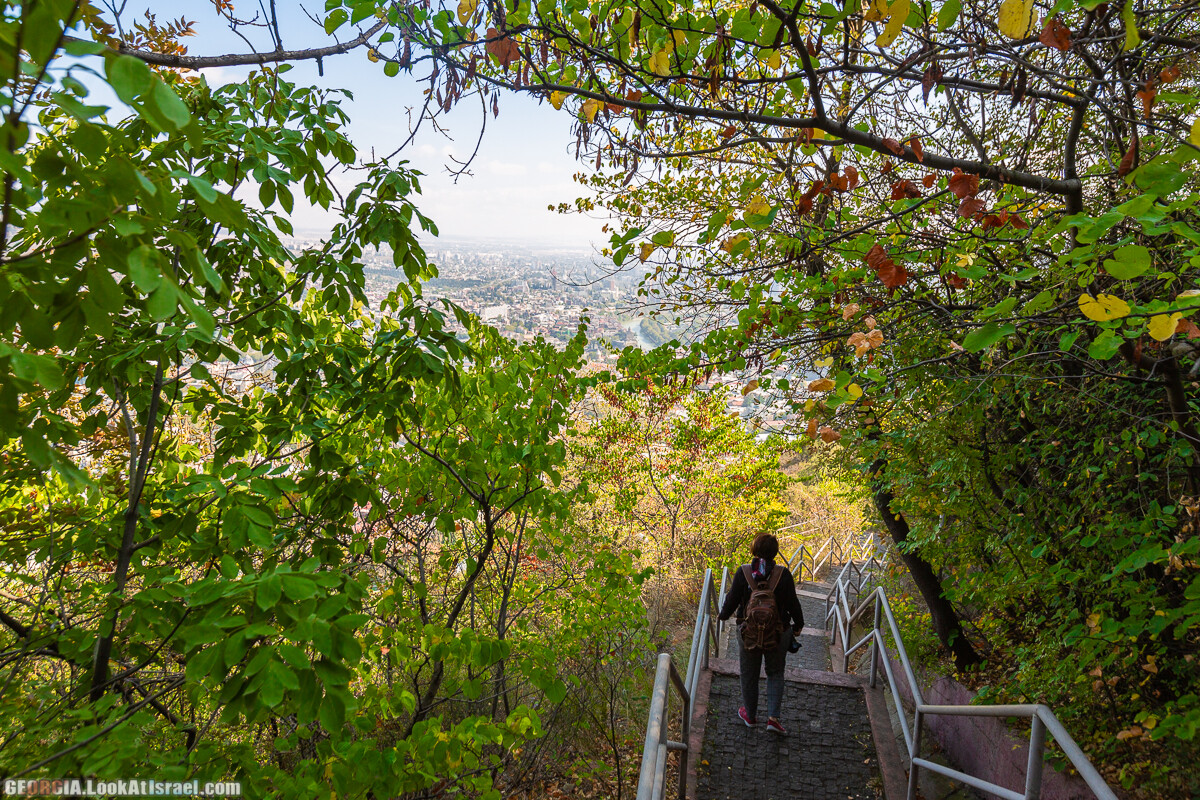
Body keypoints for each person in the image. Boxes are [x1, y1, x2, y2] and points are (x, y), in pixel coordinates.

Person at [717, 532, 805, 734]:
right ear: (775, 552)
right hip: (778, 632)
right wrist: (799, 624)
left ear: (754, 550)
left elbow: (731, 600)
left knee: (749, 673)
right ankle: (773, 719)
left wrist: (723, 615)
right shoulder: (783, 574)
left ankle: (750, 715)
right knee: (775, 672)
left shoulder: (744, 573)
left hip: (748, 632)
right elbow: (793, 603)